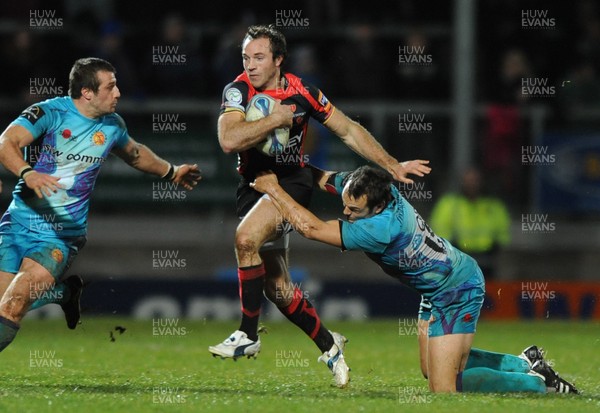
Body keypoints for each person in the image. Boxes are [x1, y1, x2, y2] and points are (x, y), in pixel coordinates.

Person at [209, 24, 431, 388]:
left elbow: (347, 129)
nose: (250, 65)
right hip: (252, 186)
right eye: (246, 57)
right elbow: (229, 139)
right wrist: (275, 120)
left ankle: (248, 334)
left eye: (259, 58)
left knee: (245, 239)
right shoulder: (237, 90)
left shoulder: (303, 92)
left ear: (279, 60)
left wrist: (391, 164)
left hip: (292, 183)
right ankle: (330, 346)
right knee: (277, 287)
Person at [249, 165, 578, 394]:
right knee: (430, 369)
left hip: (456, 288)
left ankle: (539, 384)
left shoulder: (380, 229)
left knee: (444, 387)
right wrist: (285, 161)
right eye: (345, 204)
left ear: (376, 208)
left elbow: (309, 228)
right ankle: (525, 363)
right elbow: (324, 178)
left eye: (354, 211)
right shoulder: (371, 186)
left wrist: (273, 188)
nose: (346, 213)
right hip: (434, 287)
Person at [0, 57, 201, 353]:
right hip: (19, 220)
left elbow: (134, 153)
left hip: (61, 234)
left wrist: (171, 171)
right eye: (111, 87)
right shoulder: (50, 112)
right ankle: (64, 294)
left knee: (14, 304)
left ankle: (59, 292)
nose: (118, 93)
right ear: (87, 93)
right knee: (5, 302)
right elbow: (6, 141)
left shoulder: (112, 126)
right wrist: (28, 173)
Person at [429, 166, 511, 279]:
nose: (472, 184)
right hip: (457, 262)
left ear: (482, 182)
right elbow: (438, 231)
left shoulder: (494, 206)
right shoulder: (449, 204)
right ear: (461, 182)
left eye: (475, 181)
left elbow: (503, 234)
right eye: (468, 181)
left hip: (488, 262)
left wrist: (495, 248)